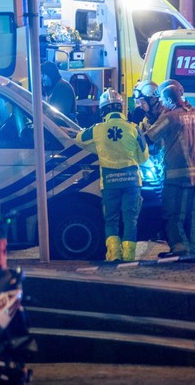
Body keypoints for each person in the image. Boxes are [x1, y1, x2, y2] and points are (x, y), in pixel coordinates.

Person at [76, 89, 149, 262]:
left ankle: (114, 254)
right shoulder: (133, 128)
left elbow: (78, 138)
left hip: (110, 183)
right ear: (121, 108)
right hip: (132, 183)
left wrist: (98, 149)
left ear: (103, 110)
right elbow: (144, 157)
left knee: (111, 220)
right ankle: (129, 256)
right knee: (131, 220)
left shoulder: (97, 130)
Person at [145, 83, 195, 261]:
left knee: (173, 215)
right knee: (192, 215)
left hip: (174, 175)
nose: (162, 104)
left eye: (163, 101)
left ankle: (181, 251)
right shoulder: (194, 115)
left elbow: (150, 137)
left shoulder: (170, 117)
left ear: (169, 100)